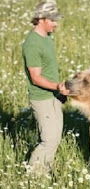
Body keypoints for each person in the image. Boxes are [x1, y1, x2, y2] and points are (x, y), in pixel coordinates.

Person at [22, 1, 69, 174]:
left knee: (55, 138)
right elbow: (35, 78)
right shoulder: (32, 44)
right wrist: (57, 86)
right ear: (41, 19)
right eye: (52, 20)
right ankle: (34, 177)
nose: (56, 23)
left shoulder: (47, 37)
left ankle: (44, 170)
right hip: (42, 98)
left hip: (54, 95)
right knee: (48, 140)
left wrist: (59, 92)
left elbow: (48, 70)